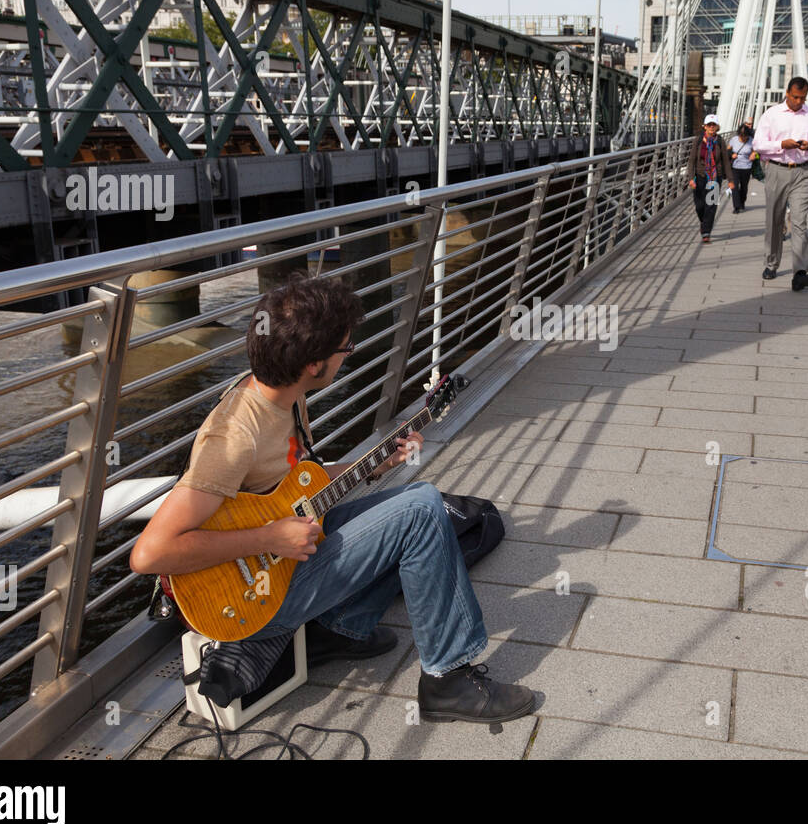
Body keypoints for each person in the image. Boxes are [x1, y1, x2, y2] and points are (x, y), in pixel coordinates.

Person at [129, 273, 537, 724]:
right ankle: (448, 679)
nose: (348, 356)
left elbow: (299, 487)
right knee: (421, 509)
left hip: (284, 558)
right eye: (345, 349)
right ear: (313, 363)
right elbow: (150, 554)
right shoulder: (233, 436)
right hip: (253, 593)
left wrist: (377, 465)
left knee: (411, 507)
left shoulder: (286, 395)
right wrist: (270, 538)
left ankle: (345, 629)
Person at [752, 77, 808, 290]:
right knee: (775, 220)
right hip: (777, 170)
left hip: (803, 172)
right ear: (787, 93)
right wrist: (780, 145)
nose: (798, 101)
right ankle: (771, 263)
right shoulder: (772, 114)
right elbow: (758, 144)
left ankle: (800, 272)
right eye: (795, 97)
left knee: (799, 222)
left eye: (803, 98)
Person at [686, 114, 731, 243]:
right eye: (709, 125)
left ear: (717, 127)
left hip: (715, 177)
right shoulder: (698, 140)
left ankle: (706, 232)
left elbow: (726, 162)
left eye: (713, 125)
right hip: (700, 176)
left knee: (711, 206)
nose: (711, 127)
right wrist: (690, 178)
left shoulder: (720, 141)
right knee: (699, 206)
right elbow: (691, 161)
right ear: (705, 127)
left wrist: (731, 180)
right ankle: (704, 223)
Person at [727, 122, 757, 213]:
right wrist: (732, 154)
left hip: (746, 167)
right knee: (734, 187)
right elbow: (727, 151)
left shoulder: (751, 141)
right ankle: (736, 207)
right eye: (741, 136)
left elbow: (756, 151)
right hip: (735, 167)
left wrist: (753, 154)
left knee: (744, 187)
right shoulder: (733, 140)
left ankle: (742, 202)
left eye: (745, 136)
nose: (743, 138)